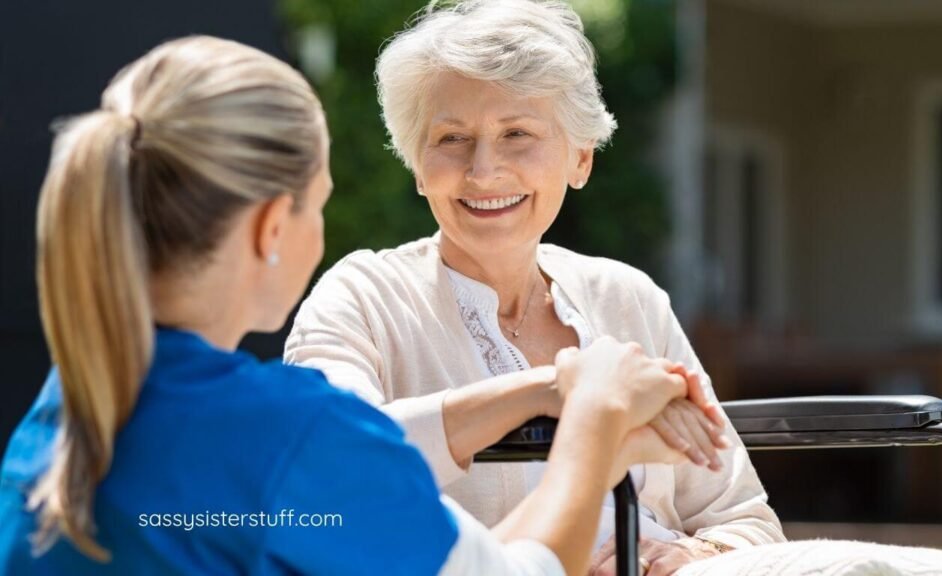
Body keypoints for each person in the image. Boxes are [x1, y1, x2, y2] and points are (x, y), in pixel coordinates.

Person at [0, 35, 702, 576]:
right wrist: (596, 419)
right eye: (322, 205)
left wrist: (545, 388)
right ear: (273, 228)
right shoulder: (292, 435)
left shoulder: (67, 410)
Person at [283, 1, 784, 573]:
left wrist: (686, 554)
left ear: (581, 158)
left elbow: (744, 518)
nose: (483, 170)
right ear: (417, 166)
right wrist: (558, 389)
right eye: (451, 139)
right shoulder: (362, 297)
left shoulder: (629, 297)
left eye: (517, 133)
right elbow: (329, 461)